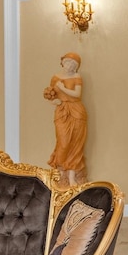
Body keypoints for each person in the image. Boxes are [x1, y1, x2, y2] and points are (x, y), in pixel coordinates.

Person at [43, 52, 88, 187]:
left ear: (76, 67)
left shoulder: (77, 77)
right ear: (62, 63)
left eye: (73, 64)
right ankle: (60, 175)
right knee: (63, 142)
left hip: (76, 111)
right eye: (67, 62)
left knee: (75, 144)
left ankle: (72, 177)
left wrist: (62, 88)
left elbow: (77, 94)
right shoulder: (55, 78)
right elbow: (51, 95)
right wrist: (54, 101)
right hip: (62, 111)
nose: (69, 66)